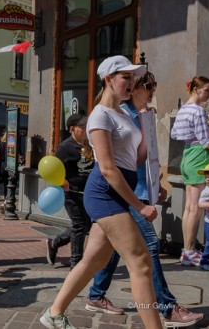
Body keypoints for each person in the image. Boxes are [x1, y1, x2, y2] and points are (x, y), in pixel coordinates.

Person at [40, 55, 162, 329]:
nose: (131, 82)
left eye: (133, 77)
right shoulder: (100, 115)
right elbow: (107, 169)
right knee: (141, 262)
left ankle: (54, 313)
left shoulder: (121, 114)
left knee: (93, 260)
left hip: (119, 192)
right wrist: (140, 206)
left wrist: (146, 124)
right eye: (125, 77)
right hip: (105, 194)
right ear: (108, 80)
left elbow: (138, 159)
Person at [85, 72, 203, 327]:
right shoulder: (122, 114)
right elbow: (120, 161)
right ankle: (167, 307)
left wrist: (156, 186)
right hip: (122, 193)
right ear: (135, 88)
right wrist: (140, 199)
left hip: (136, 191)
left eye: (154, 85)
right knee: (149, 246)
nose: (153, 90)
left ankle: (94, 295)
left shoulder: (144, 114)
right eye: (149, 86)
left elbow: (145, 158)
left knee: (107, 252)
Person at [170, 75, 209, 266]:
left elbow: (174, 133)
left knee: (190, 206)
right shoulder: (197, 111)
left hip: (188, 154)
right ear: (196, 90)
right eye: (207, 91)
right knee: (195, 207)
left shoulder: (184, 109)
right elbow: (206, 141)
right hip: (200, 156)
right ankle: (189, 251)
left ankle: (188, 250)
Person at [45, 114, 93, 269]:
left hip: (87, 192)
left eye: (87, 126)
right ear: (72, 129)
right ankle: (76, 263)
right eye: (83, 127)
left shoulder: (89, 145)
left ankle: (55, 243)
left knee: (85, 225)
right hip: (71, 193)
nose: (86, 130)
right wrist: (63, 182)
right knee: (80, 225)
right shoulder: (65, 147)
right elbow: (53, 168)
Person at [197, 163, 209, 271]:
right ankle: (205, 262)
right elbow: (200, 204)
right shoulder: (206, 191)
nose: (208, 180)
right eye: (206, 177)